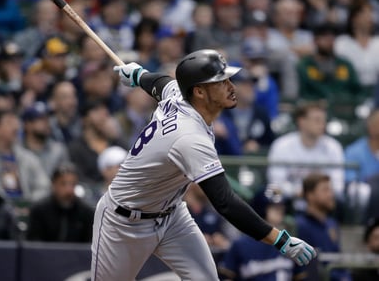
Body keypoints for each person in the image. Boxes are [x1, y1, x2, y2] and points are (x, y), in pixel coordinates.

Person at [91, 49, 317, 280]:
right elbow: (225, 202)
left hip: (171, 216)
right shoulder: (189, 137)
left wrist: (139, 75)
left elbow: (161, 82)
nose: (231, 86)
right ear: (199, 91)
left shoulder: (179, 94)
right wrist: (280, 240)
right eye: (221, 82)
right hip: (124, 222)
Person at [266, 101, 345, 209]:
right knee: (273, 197)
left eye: (323, 120)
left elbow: (338, 185)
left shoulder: (333, 147)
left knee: (340, 200)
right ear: (301, 122)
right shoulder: (281, 145)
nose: (322, 124)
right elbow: (276, 183)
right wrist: (301, 192)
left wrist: (318, 194)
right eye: (317, 120)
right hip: (290, 201)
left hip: (323, 202)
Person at [219, 186, 303, 281]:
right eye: (275, 207)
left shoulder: (289, 242)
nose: (281, 210)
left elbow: (300, 276)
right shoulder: (241, 244)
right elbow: (226, 277)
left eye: (282, 206)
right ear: (261, 208)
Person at [296, 172, 352, 281]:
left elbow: (338, 260)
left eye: (330, 190)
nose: (330, 194)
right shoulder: (300, 226)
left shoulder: (332, 224)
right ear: (310, 195)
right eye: (325, 190)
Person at [26, 162, 94, 243]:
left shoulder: (86, 212)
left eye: (73, 184)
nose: (68, 190)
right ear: (53, 185)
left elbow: (89, 245)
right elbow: (33, 244)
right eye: (63, 184)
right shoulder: (39, 210)